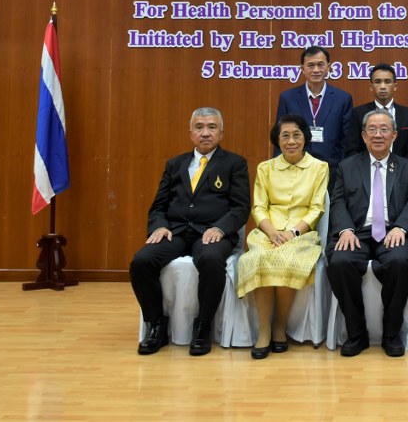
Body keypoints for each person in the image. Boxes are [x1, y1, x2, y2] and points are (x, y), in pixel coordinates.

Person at [130, 108, 250, 356]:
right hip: (176, 232)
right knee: (141, 261)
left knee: (211, 260)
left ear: (221, 133)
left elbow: (240, 207)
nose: (205, 133)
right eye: (199, 127)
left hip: (212, 233)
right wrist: (159, 226)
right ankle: (157, 325)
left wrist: (220, 228)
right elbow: (158, 205)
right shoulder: (175, 164)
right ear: (190, 133)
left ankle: (203, 326)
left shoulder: (234, 163)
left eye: (212, 127)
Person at [327, 109, 408, 357]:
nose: (378, 135)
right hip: (357, 231)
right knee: (340, 261)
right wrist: (345, 229)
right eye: (372, 129)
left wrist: (401, 227)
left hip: (393, 230)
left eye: (384, 130)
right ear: (363, 135)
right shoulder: (347, 166)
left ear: (394, 135)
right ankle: (357, 334)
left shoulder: (407, 167)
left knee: (399, 261)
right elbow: (338, 202)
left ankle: (391, 334)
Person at [236, 114, 327, 359]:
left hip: (301, 234)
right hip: (268, 231)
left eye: (296, 135)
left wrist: (292, 232)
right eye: (285, 136)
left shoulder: (319, 168)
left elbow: (316, 208)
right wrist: (272, 232)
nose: (291, 141)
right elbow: (259, 207)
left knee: (287, 260)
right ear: (277, 140)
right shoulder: (265, 168)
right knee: (258, 259)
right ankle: (264, 330)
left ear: (305, 138)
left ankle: (280, 326)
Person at [276, 45, 353, 191]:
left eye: (320, 65)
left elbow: (346, 141)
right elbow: (280, 137)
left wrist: (344, 173)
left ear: (328, 67)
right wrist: (280, 170)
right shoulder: (288, 98)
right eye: (310, 65)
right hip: (295, 170)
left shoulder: (343, 99)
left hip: (332, 172)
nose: (316, 70)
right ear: (302, 69)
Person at [346, 63, 408, 163]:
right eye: (378, 82)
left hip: (400, 170)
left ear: (395, 86)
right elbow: (352, 149)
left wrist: (403, 170)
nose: (383, 86)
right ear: (371, 86)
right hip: (366, 169)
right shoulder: (358, 113)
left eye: (387, 82)